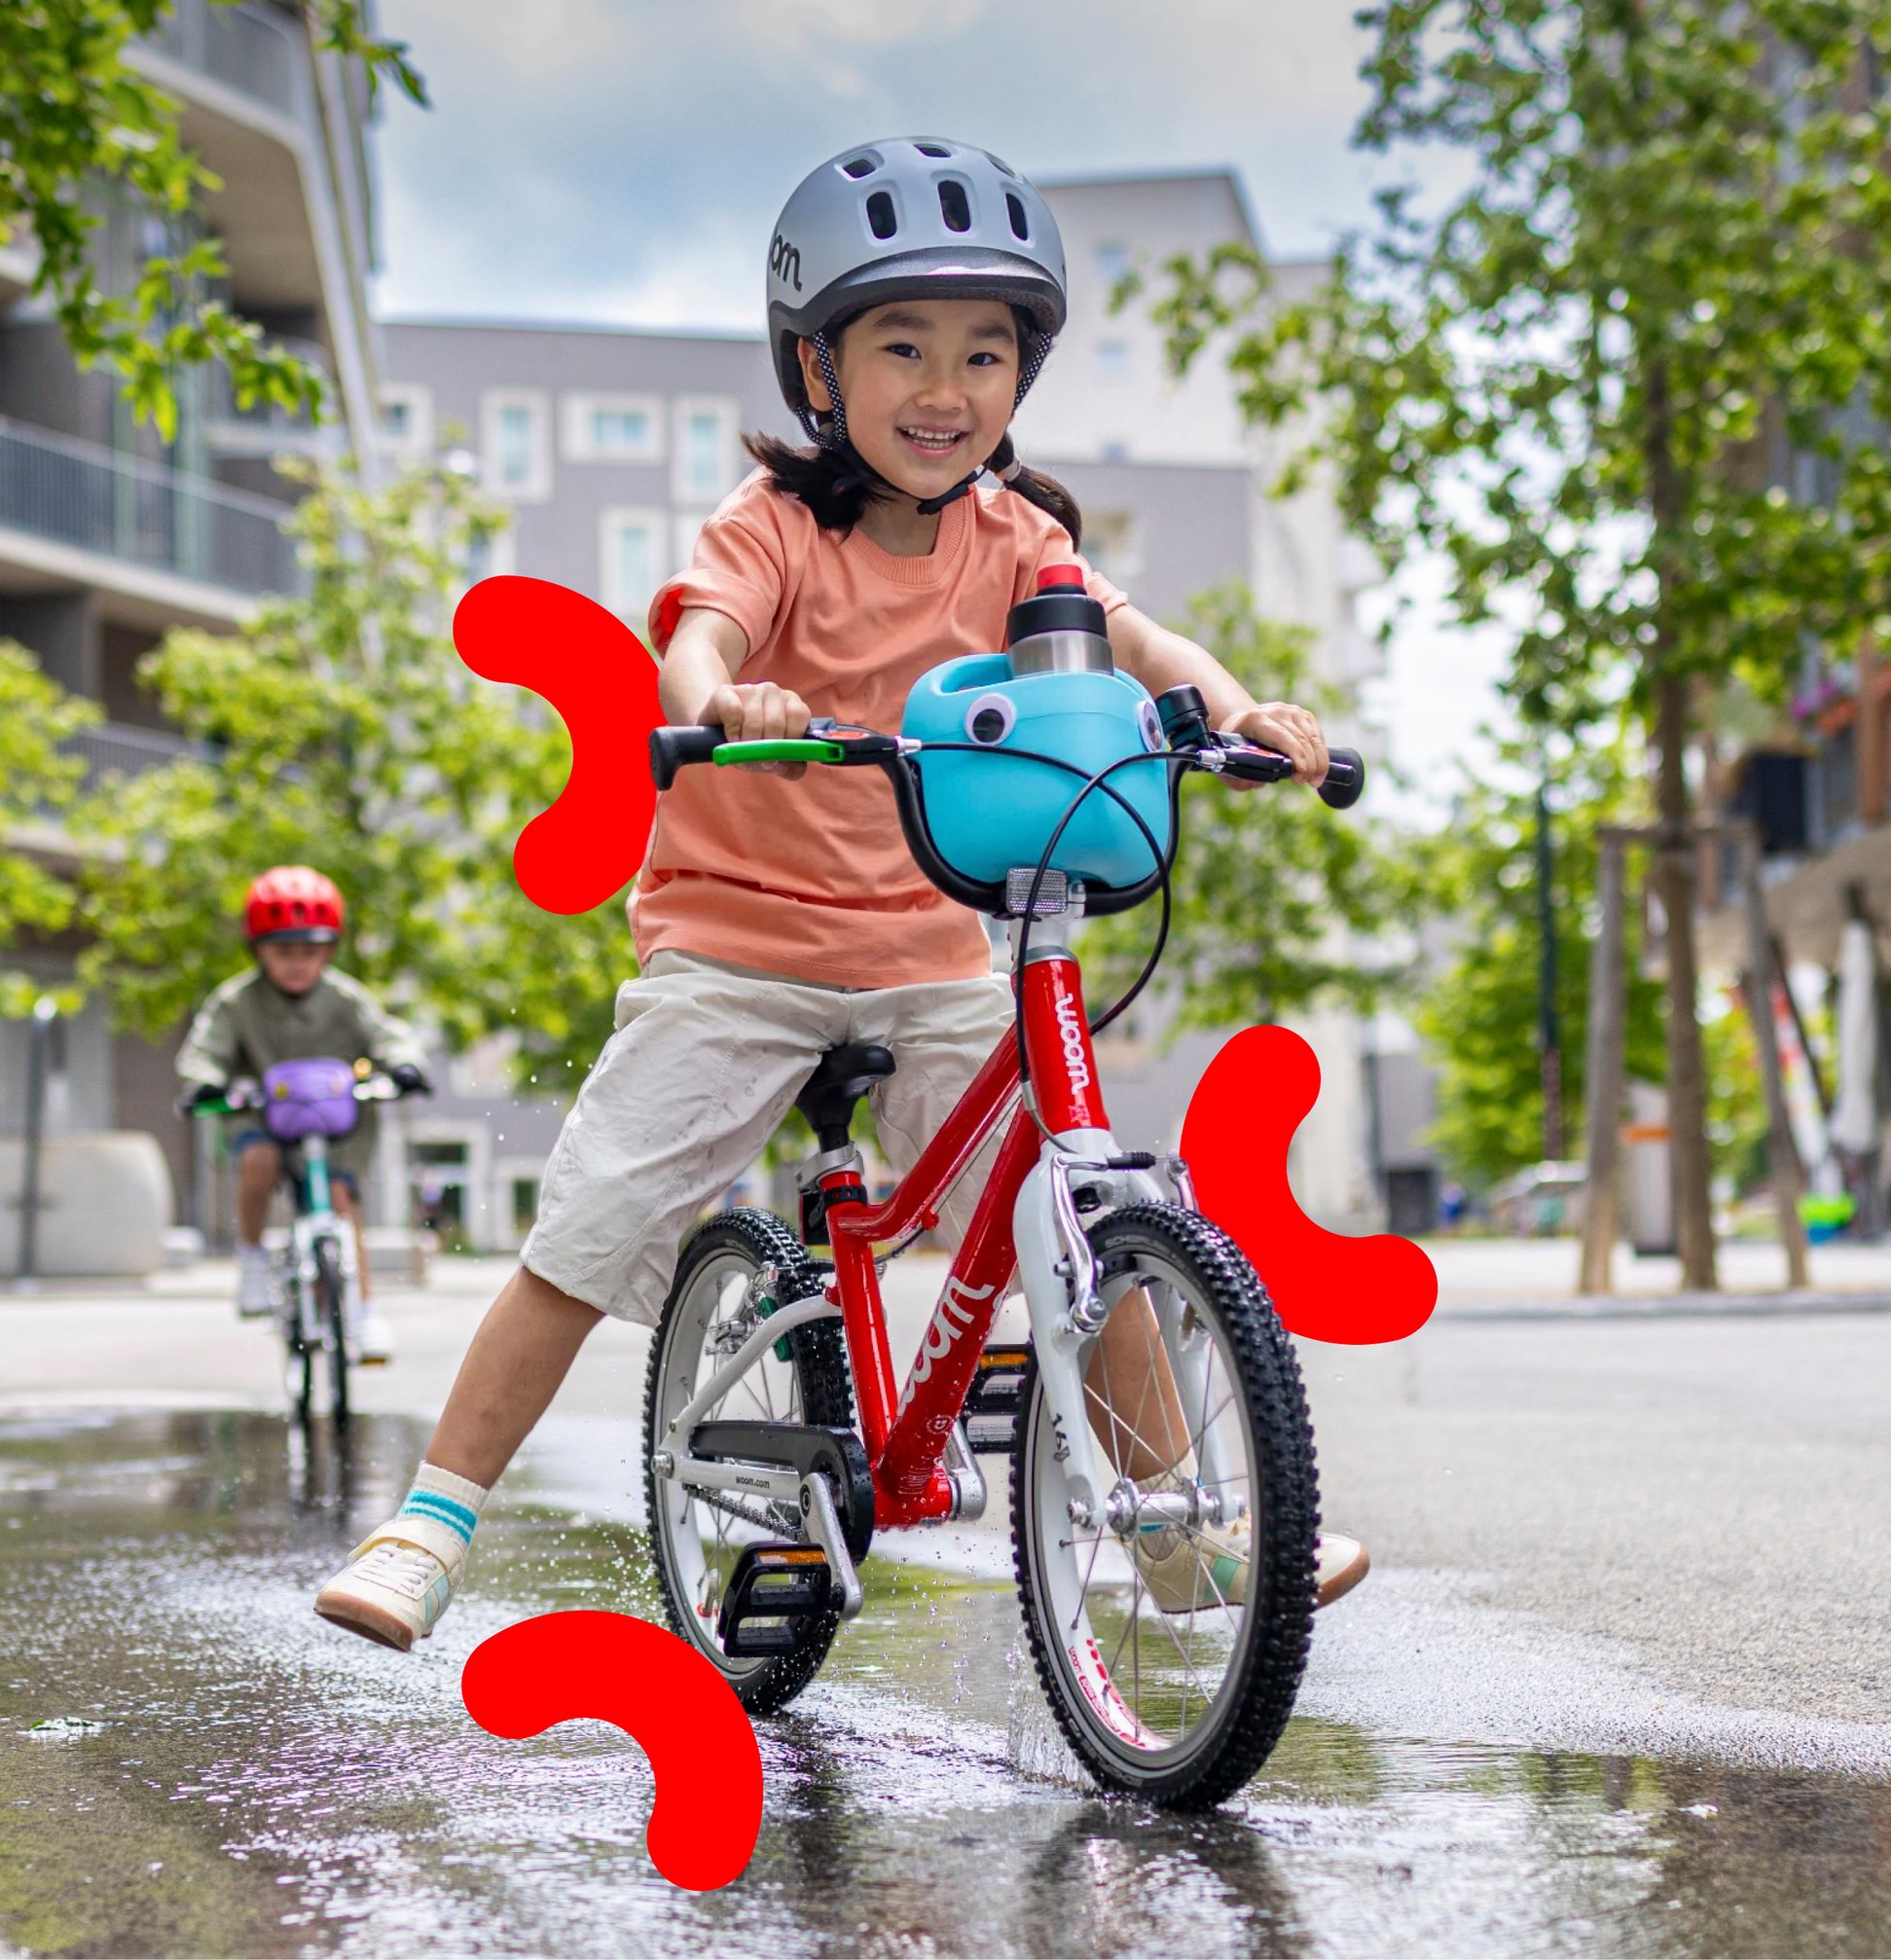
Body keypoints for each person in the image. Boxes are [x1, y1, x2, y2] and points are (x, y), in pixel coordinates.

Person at [314, 138, 1368, 1651]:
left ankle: (1184, 1527)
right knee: (602, 1207)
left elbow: (1136, 642)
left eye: (985, 353)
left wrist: (1242, 709)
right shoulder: (776, 523)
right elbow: (699, 635)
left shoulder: (1020, 541)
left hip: (941, 941)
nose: (947, 386)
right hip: (741, 944)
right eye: (904, 347)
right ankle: (432, 1515)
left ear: (1022, 378)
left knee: (1076, 1195)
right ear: (819, 368)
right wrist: (722, 692)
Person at [177, 865, 432, 1359]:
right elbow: (204, 1050)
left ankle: (360, 1314)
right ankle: (251, 1262)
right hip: (264, 1118)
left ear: (329, 950)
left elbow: (388, 1034)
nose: (297, 964)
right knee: (258, 1163)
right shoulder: (236, 1002)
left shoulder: (346, 998)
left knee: (341, 1200)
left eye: (309, 952)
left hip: (337, 1124)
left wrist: (404, 1066)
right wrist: (204, 1080)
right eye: (283, 952)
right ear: (258, 951)